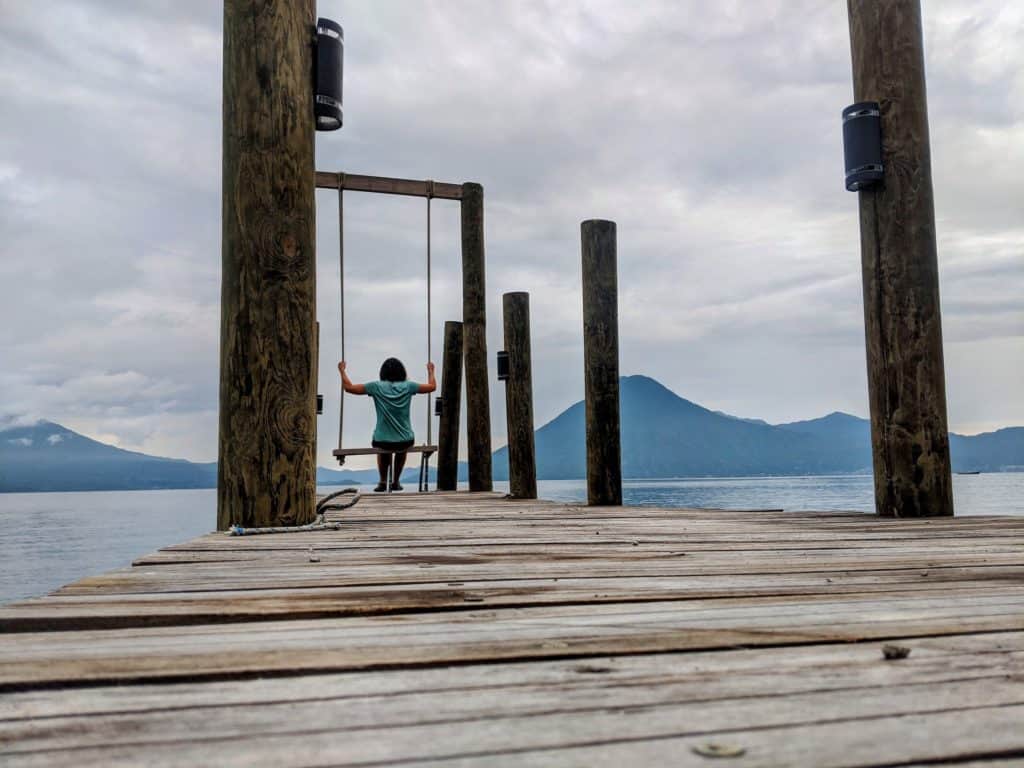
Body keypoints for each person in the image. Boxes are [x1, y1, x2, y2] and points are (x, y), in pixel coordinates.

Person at [339, 358, 436, 492]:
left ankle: (383, 481)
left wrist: (342, 371)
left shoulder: (376, 386)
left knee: (382, 447)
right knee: (402, 448)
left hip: (382, 439)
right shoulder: (409, 386)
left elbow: (349, 388)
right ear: (402, 372)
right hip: (405, 439)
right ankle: (396, 481)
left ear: (382, 372)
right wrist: (431, 371)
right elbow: (432, 387)